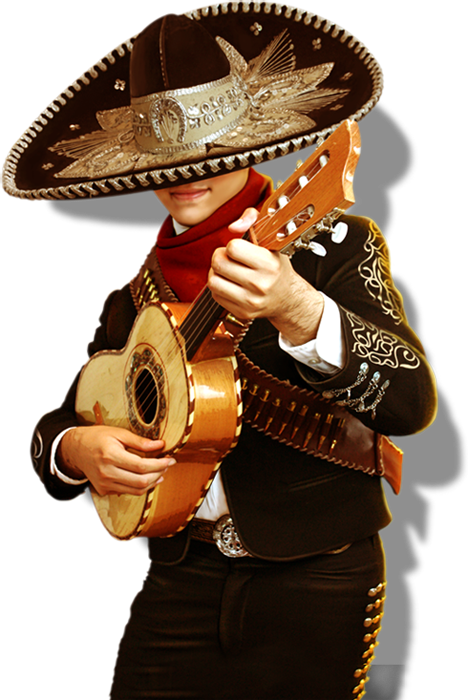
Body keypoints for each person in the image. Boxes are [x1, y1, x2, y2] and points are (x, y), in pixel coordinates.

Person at [11, 8, 437, 700]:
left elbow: (413, 404)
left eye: (208, 150)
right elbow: (56, 430)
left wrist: (299, 309)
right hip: (181, 573)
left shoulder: (335, 246)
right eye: (168, 158)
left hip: (317, 576)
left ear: (249, 141)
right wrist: (77, 449)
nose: (188, 173)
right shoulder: (133, 298)